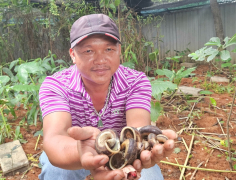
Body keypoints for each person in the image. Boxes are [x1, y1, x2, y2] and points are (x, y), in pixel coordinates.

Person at [38, 13, 177, 180]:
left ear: (118, 50)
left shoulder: (135, 82)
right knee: (56, 173)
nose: (100, 60)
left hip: (122, 152)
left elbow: (137, 131)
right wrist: (84, 151)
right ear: (73, 55)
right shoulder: (56, 85)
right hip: (74, 153)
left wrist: (131, 158)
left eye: (109, 49)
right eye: (88, 51)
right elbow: (55, 139)